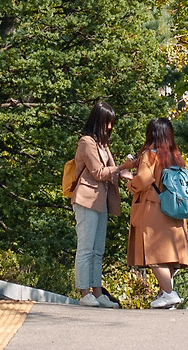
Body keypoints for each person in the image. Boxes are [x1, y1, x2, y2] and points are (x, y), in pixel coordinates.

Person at [126, 116, 188, 309]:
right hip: (174, 211)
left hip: (155, 210)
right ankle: (165, 293)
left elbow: (143, 180)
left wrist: (129, 181)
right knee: (168, 256)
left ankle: (169, 293)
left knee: (154, 254)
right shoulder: (175, 156)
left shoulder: (150, 155)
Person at [69, 101, 124, 307]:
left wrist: (126, 171)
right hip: (86, 199)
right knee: (86, 247)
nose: (110, 127)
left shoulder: (102, 144)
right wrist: (121, 167)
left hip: (101, 201)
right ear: (98, 121)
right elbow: (98, 172)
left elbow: (111, 171)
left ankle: (98, 292)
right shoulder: (86, 142)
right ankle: (85, 293)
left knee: (98, 249)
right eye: (107, 122)